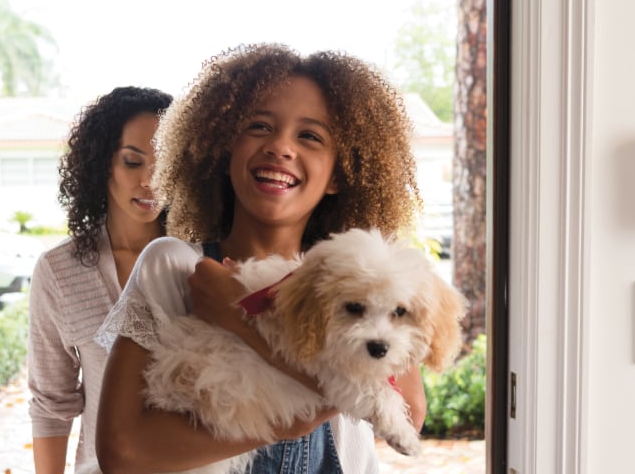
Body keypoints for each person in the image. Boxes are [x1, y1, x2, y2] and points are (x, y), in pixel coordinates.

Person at [95, 43, 425, 473]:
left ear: (340, 175)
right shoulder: (171, 266)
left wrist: (238, 320)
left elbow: (407, 415)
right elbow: (123, 455)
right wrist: (288, 422)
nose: (280, 147)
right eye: (258, 127)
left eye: (309, 136)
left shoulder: (370, 281)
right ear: (223, 147)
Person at [27, 86, 174, 473]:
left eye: (166, 163)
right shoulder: (59, 271)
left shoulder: (200, 259)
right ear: (102, 164)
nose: (150, 181)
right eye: (132, 162)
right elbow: (51, 406)